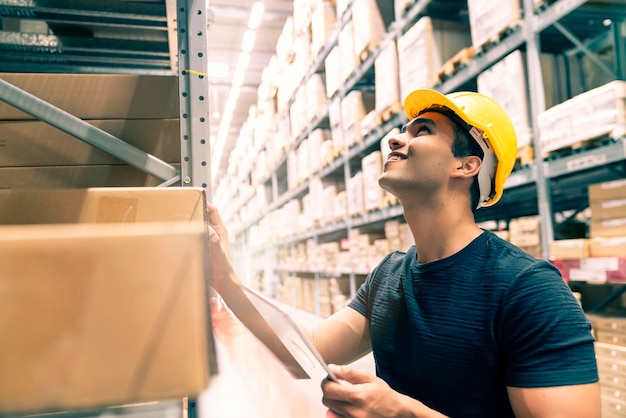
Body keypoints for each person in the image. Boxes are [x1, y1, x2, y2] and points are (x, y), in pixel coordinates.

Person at [206, 89, 600, 418]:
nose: (395, 140)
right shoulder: (391, 275)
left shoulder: (528, 290)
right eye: (401, 131)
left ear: (467, 165)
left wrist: (403, 413)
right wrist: (225, 278)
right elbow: (303, 353)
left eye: (422, 131)